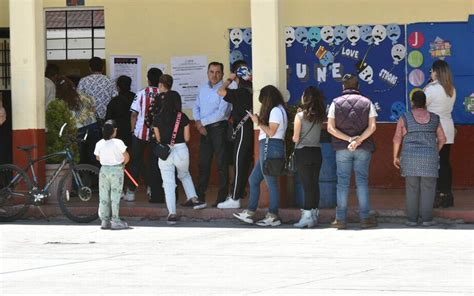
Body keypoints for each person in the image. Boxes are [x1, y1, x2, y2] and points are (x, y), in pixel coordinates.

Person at [327, 74, 377, 230]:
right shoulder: (368, 102)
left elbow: (330, 128)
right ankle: (365, 218)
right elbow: (373, 127)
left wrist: (349, 140)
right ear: (358, 86)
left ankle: (340, 219)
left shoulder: (335, 103)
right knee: (362, 182)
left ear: (343, 86)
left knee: (342, 183)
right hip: (363, 148)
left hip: (343, 148)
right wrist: (358, 140)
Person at [233, 85, 288, 227]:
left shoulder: (276, 111)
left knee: (271, 184)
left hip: (270, 147)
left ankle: (273, 215)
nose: (263, 105)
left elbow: (271, 132)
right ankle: (250, 212)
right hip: (269, 148)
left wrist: (258, 123)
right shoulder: (279, 109)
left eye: (263, 101)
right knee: (253, 179)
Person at [393, 91, 446, 226]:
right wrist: (434, 151)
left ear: (412, 103)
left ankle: (412, 220)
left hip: (409, 158)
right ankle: (427, 220)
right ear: (425, 102)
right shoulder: (435, 118)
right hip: (430, 159)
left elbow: (397, 139)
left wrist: (395, 156)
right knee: (428, 189)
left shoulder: (405, 118)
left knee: (412, 189)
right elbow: (442, 139)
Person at [153, 91, 205, 224]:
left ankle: (172, 213)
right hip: (181, 150)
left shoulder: (157, 118)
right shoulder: (183, 117)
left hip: (165, 153)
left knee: (169, 184)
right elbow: (187, 138)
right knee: (185, 174)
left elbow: (158, 139)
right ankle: (193, 198)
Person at [192, 62, 231, 208]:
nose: (214, 75)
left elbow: (222, 113)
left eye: (218, 72)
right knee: (203, 164)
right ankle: (199, 197)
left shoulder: (225, 89)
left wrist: (202, 122)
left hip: (218, 129)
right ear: (207, 73)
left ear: (222, 74)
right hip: (204, 131)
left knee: (222, 163)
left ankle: (222, 198)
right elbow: (196, 106)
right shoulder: (202, 89)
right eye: (211, 72)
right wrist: (197, 122)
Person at [216, 65, 253, 209]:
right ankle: (237, 195)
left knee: (238, 164)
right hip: (248, 129)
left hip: (242, 130)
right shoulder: (250, 91)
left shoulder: (240, 92)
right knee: (243, 165)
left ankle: (235, 198)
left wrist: (228, 80)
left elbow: (221, 91)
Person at [125, 68, 164, 203]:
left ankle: (131, 192)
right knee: (155, 163)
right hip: (157, 135)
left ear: (148, 79)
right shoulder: (163, 94)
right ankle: (152, 190)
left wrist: (132, 130)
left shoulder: (141, 93)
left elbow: (134, 114)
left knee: (135, 163)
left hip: (139, 133)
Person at [292, 86, 325, 228]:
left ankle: (306, 217)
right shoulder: (320, 116)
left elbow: (295, 138)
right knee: (314, 184)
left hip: (302, 152)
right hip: (316, 152)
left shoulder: (299, 116)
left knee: (306, 185)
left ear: (305, 98)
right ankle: (314, 214)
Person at [424, 60, 456, 208]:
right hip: (448, 128)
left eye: (431, 71)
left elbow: (421, 106)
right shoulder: (451, 89)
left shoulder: (431, 89)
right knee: (445, 162)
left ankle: (436, 196)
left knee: (434, 164)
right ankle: (447, 195)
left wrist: (427, 85)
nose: (430, 73)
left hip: (435, 129)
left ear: (436, 72)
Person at [94, 120, 130, 230]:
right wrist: (123, 164)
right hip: (117, 170)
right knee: (115, 196)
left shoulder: (99, 143)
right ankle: (115, 220)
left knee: (104, 195)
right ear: (114, 131)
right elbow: (127, 157)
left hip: (104, 170)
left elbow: (98, 157)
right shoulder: (118, 143)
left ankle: (104, 221)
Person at [56, 76, 98, 166]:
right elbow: (94, 110)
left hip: (77, 129)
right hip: (92, 126)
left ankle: (80, 177)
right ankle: (95, 175)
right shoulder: (85, 96)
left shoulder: (61, 100)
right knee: (93, 155)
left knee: (79, 156)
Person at [77, 57, 118, 122]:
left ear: (90, 68)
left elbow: (79, 99)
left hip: (89, 119)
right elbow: (115, 98)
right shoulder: (111, 81)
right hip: (106, 118)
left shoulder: (83, 81)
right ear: (103, 67)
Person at [105, 75, 135, 149]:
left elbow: (108, 120)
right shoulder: (136, 97)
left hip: (118, 133)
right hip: (133, 132)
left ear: (118, 87)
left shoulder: (114, 101)